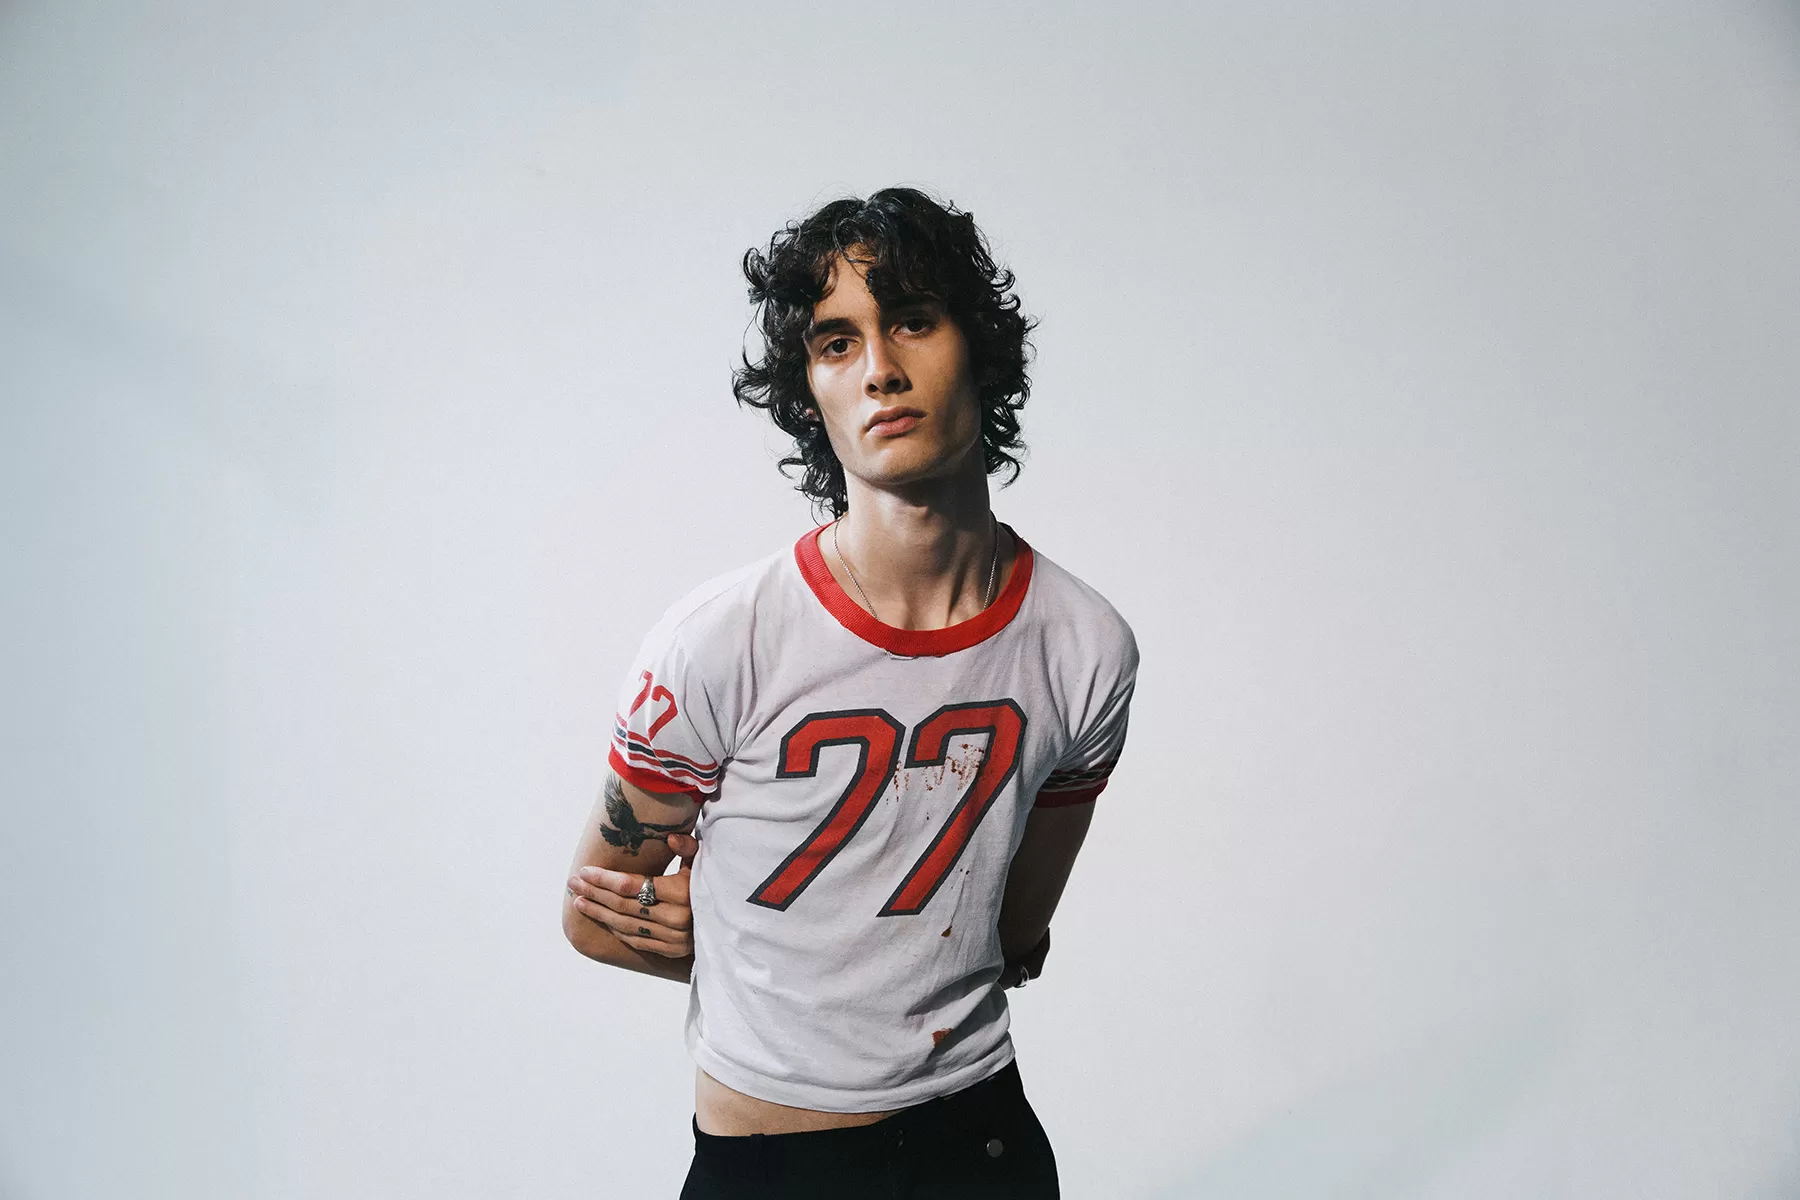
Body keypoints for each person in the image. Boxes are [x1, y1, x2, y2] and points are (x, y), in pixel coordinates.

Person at [562, 187, 1139, 1199]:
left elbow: (1011, 936)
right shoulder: (719, 640)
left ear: (979, 349)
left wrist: (778, 931)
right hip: (772, 1163)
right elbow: (594, 913)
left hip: (979, 1148)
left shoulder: (1084, 645)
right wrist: (745, 940)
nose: (879, 369)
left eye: (913, 320)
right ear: (809, 391)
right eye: (837, 343)